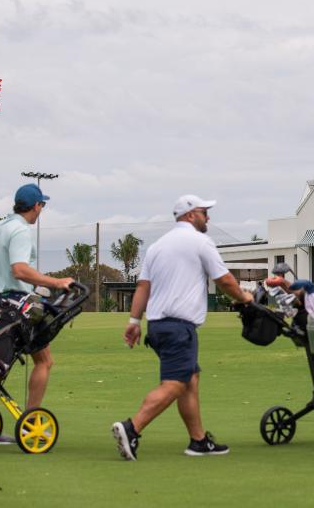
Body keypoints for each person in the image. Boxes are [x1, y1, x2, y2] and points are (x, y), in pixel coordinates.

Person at [112, 195, 255, 460]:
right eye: (204, 211)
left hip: (158, 326)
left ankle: (198, 441)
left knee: (190, 379)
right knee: (176, 383)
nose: (208, 217)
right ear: (190, 215)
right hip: (179, 328)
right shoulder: (201, 242)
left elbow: (143, 286)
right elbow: (223, 279)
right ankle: (132, 428)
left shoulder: (157, 247)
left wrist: (134, 322)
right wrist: (246, 298)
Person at [0, 184, 75, 423]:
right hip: (14, 305)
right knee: (43, 361)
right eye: (42, 205)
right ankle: (30, 420)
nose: (41, 209)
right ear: (36, 206)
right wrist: (56, 282)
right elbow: (20, 270)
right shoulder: (21, 230)